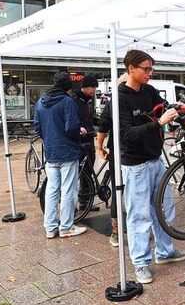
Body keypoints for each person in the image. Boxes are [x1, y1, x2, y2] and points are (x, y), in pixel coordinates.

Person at [118, 50, 185, 284]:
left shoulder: (149, 91)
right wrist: (159, 122)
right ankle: (140, 263)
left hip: (156, 160)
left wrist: (177, 110)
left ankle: (165, 252)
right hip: (135, 165)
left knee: (164, 209)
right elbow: (126, 134)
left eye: (151, 69)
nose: (150, 73)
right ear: (131, 69)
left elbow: (164, 106)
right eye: (146, 69)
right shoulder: (120, 98)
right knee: (139, 216)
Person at [34, 71, 87, 238]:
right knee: (68, 190)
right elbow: (72, 127)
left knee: (51, 190)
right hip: (68, 151)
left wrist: (49, 139)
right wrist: (78, 135)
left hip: (51, 152)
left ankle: (50, 228)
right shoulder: (67, 101)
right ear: (68, 87)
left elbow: (37, 127)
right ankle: (66, 227)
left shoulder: (41, 103)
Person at [96, 73, 128, 247]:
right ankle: (128, 230)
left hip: (117, 149)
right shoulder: (131, 99)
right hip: (131, 150)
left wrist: (99, 146)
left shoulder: (112, 101)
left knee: (118, 190)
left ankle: (116, 233)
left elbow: (103, 126)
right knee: (134, 192)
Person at [74, 75, 100, 212]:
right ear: (84, 87)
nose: (94, 90)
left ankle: (85, 202)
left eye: (95, 87)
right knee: (79, 172)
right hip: (79, 142)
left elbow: (91, 119)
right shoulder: (75, 101)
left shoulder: (87, 102)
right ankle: (76, 202)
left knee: (88, 171)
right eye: (92, 87)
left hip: (89, 140)